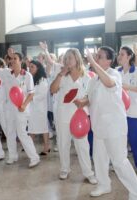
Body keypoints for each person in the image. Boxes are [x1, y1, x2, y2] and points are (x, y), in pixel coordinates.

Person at [79, 47, 137, 199]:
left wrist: (92, 62)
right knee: (99, 158)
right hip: (98, 125)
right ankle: (104, 185)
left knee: (119, 162)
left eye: (100, 56)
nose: (96, 59)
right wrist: (81, 102)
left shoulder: (114, 74)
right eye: (96, 56)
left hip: (114, 126)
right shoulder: (92, 80)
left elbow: (109, 84)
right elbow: (89, 98)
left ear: (109, 60)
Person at [0, 43, 40, 168]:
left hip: (21, 108)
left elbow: (31, 93)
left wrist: (24, 105)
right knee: (10, 132)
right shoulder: (6, 73)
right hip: (9, 108)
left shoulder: (26, 76)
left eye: (15, 59)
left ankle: (34, 157)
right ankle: (12, 156)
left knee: (22, 133)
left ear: (21, 61)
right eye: (11, 59)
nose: (12, 61)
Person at [50, 48, 97, 183]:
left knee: (82, 145)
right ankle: (64, 169)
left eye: (69, 58)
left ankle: (89, 173)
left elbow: (91, 96)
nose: (66, 60)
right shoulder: (62, 75)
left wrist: (84, 101)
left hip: (80, 116)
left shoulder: (87, 76)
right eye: (65, 58)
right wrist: (60, 75)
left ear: (77, 58)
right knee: (63, 143)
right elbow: (52, 90)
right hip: (63, 114)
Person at [116, 46, 137, 178]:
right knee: (118, 139)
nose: (119, 56)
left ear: (129, 56)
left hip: (133, 111)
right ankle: (119, 164)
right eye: (119, 54)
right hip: (118, 111)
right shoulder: (116, 72)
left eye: (122, 54)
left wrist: (128, 87)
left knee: (135, 139)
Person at [28, 60, 50, 155]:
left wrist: (31, 98)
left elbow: (42, 94)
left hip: (40, 107)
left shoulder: (43, 79)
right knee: (31, 127)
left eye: (32, 67)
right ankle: (30, 146)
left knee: (43, 127)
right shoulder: (31, 78)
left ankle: (46, 146)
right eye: (30, 67)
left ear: (38, 68)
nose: (30, 68)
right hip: (32, 107)